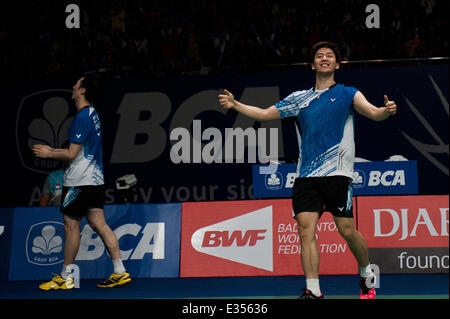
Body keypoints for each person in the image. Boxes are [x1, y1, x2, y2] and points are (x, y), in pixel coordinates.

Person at [218, 41, 397, 299]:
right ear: (313, 65)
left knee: (347, 230)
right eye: (319, 56)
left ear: (337, 64)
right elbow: (266, 113)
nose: (324, 58)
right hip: (306, 177)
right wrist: (236, 105)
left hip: (338, 174)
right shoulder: (298, 99)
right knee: (305, 231)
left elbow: (373, 112)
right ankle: (313, 291)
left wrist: (386, 112)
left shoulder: (349, 93)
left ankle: (366, 272)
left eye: (330, 56)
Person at [33, 75, 131, 290]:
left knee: (71, 227)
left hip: (78, 181)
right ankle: (119, 271)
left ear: (83, 91)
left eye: (77, 84)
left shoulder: (82, 117)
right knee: (99, 224)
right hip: (95, 180)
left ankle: (66, 277)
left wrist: (50, 152)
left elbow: (71, 153)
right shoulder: (93, 114)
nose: (73, 86)